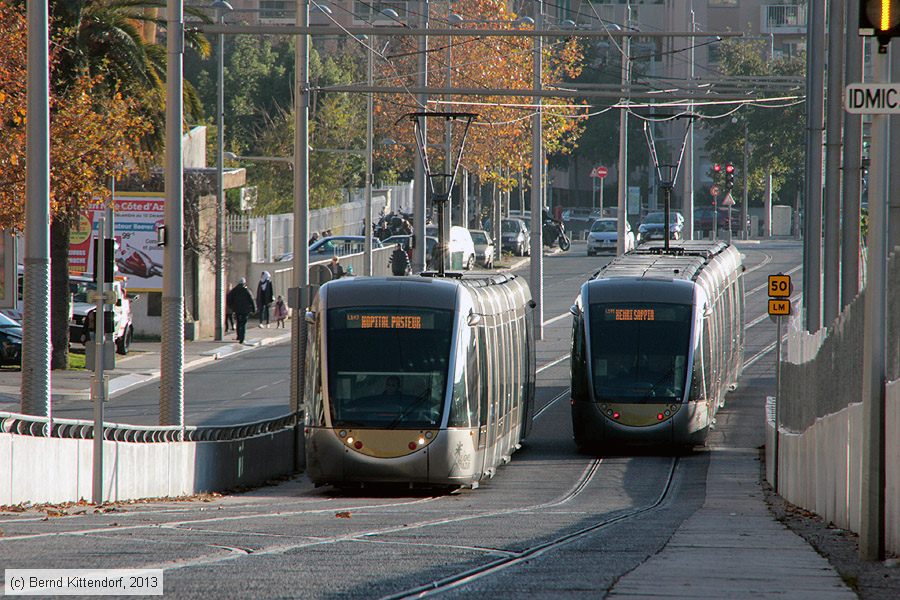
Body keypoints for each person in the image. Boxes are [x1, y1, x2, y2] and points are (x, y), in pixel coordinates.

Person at [227, 278, 255, 344]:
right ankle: (242, 338)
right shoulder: (246, 290)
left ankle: (239, 336)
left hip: (237, 309)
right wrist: (254, 309)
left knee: (238, 323)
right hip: (245, 310)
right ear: (244, 283)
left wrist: (231, 306)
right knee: (243, 323)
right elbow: (251, 299)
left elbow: (228, 298)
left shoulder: (234, 290)